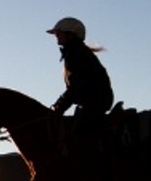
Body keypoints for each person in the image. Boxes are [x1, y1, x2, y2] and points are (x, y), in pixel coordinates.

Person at [46, 16, 113, 150]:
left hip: (94, 104)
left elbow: (76, 87)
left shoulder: (76, 54)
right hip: (91, 104)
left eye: (59, 33)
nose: (56, 37)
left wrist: (58, 108)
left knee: (79, 138)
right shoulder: (76, 52)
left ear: (70, 34)